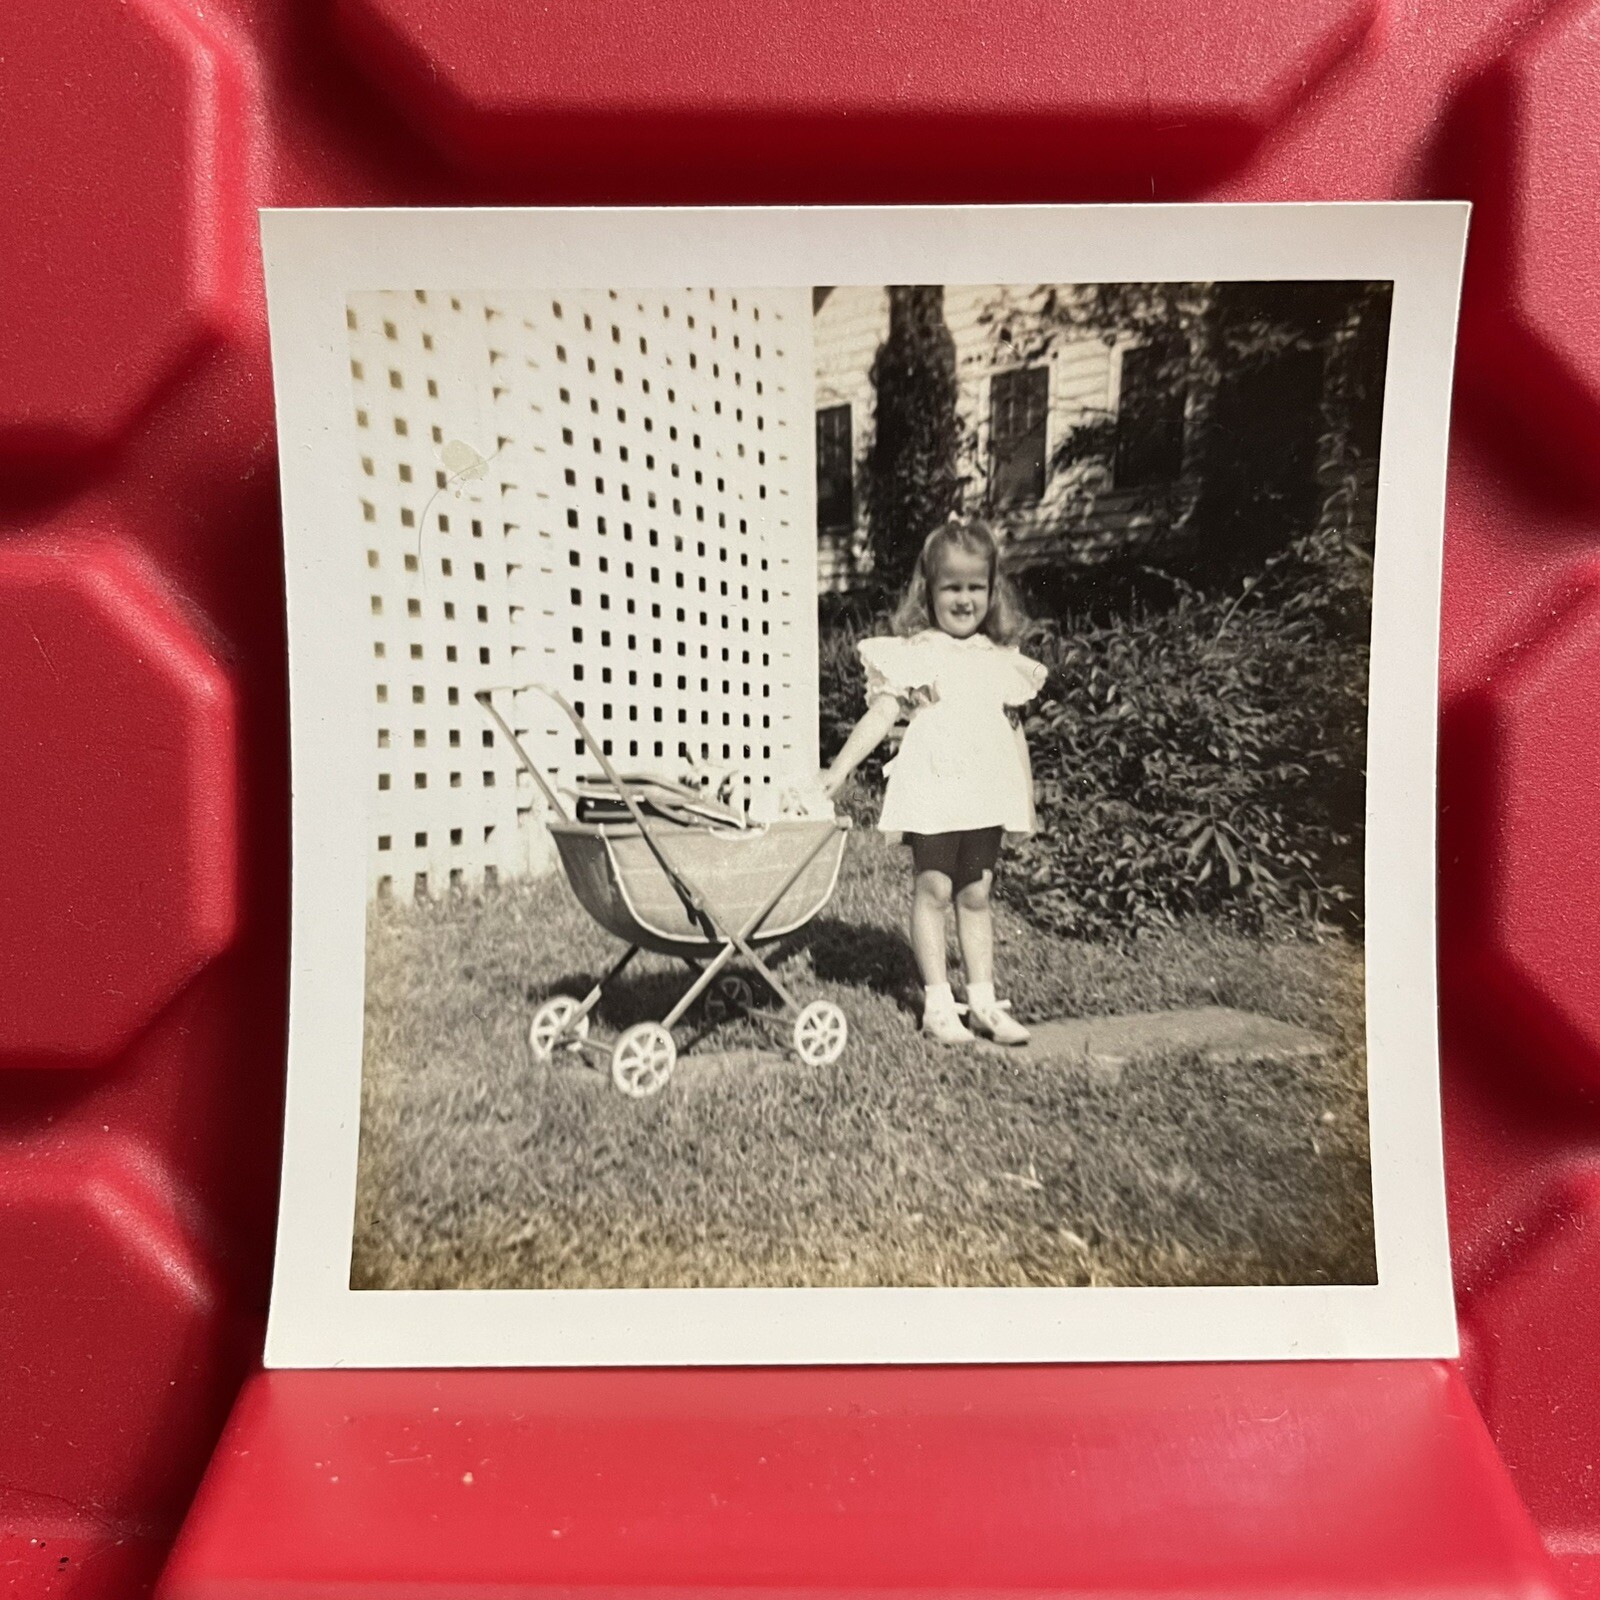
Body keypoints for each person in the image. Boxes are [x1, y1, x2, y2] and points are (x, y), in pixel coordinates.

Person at [821, 520, 1047, 1045]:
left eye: (975, 587)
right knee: (934, 887)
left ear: (992, 592)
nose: (964, 599)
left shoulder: (998, 658)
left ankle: (984, 1001)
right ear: (929, 590)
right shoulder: (916, 651)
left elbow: (1015, 732)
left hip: (984, 792)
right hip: (936, 788)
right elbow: (881, 715)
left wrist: (1026, 800)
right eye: (952, 587)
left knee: (976, 893)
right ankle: (938, 1004)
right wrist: (840, 768)